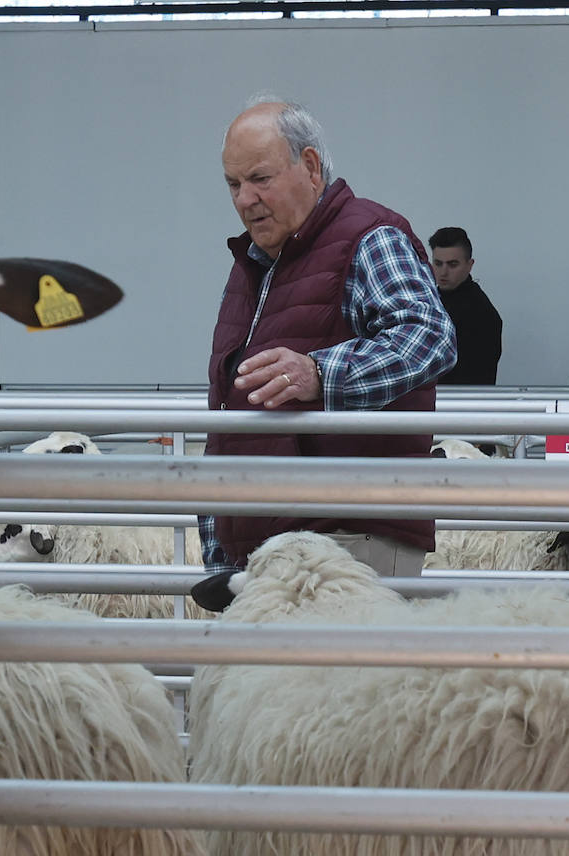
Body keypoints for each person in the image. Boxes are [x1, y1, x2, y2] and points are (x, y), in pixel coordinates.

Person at [199, 97, 457, 580]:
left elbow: (428, 335)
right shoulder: (254, 268)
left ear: (311, 166)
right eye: (233, 184)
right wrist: (219, 544)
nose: (244, 199)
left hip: (346, 542)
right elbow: (231, 415)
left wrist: (320, 373)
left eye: (260, 179)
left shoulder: (369, 236)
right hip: (266, 552)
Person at [428, 226, 502, 385]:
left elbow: (473, 382)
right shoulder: (431, 299)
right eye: (438, 263)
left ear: (470, 265)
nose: (443, 272)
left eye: (453, 264)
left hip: (456, 404)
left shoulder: (480, 314)